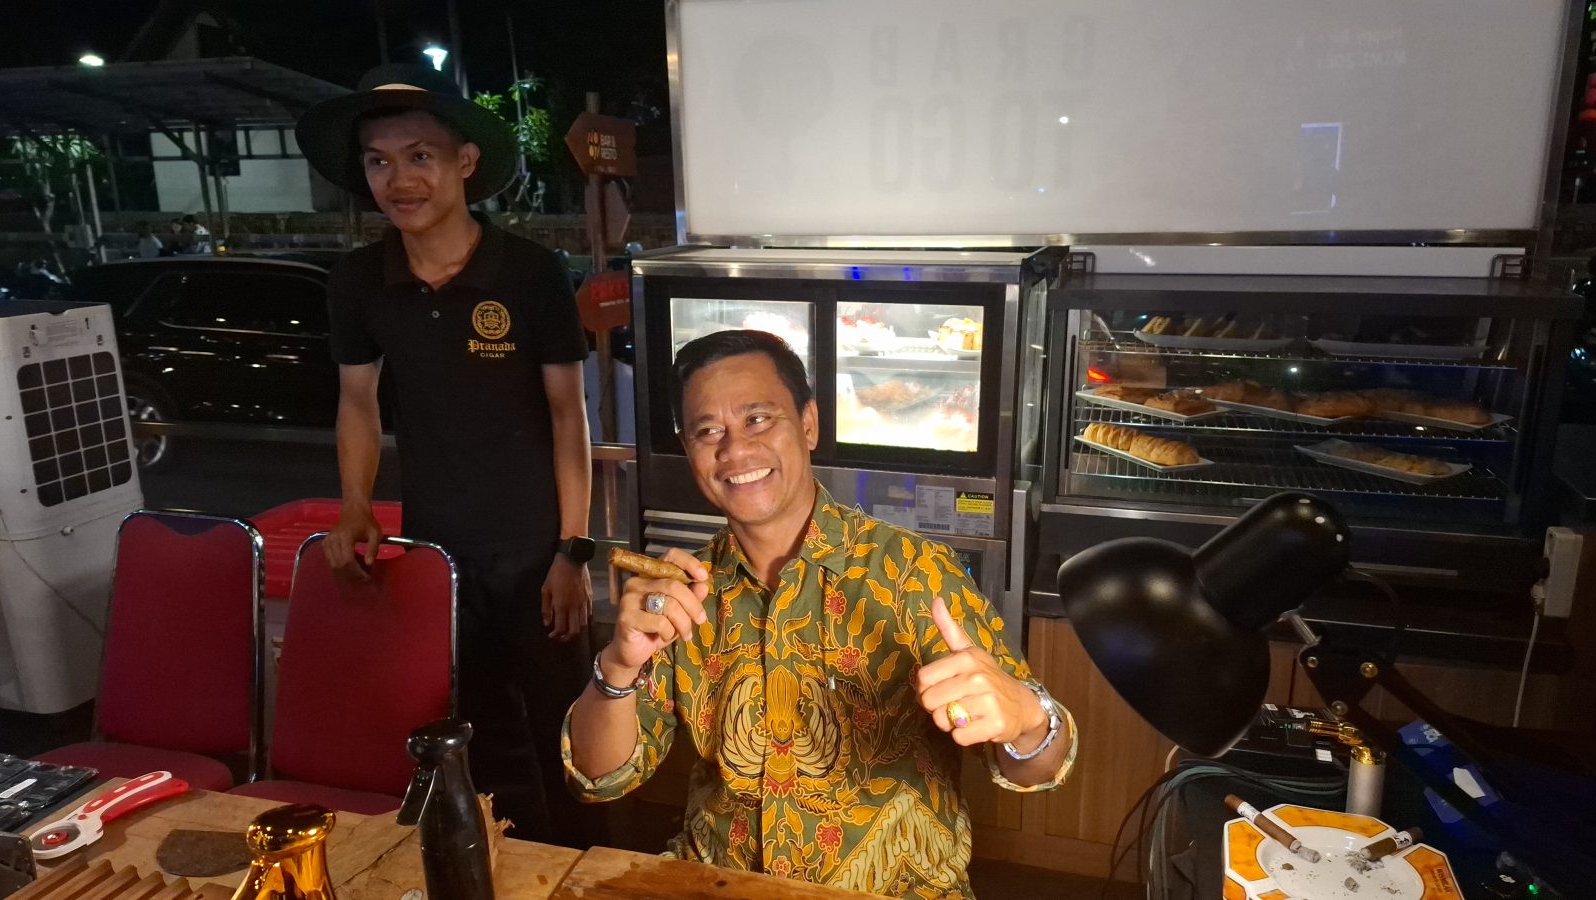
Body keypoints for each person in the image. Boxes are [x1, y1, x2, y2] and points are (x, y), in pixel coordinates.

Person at [564, 330, 1076, 897]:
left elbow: (1038, 768)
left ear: (808, 424)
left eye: (758, 419)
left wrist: (1028, 721)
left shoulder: (912, 572)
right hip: (722, 881)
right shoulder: (681, 595)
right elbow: (600, 778)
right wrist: (617, 663)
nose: (734, 450)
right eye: (709, 431)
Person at [295, 62, 600, 847]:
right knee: (475, 733)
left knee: (568, 733)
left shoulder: (530, 272)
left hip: (537, 554)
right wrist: (356, 507)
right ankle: (495, 867)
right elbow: (358, 402)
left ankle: (582, 869)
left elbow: (569, 417)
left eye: (420, 156)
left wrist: (574, 550)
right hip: (438, 552)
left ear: (465, 162)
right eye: (378, 161)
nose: (398, 179)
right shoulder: (359, 281)